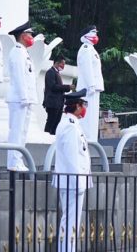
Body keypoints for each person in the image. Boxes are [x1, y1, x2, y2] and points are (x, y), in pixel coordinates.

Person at [53, 89, 92, 252]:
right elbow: (71, 158)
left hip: (73, 181)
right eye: (83, 105)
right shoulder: (70, 127)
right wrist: (78, 182)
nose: (85, 108)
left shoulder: (72, 124)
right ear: (76, 106)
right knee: (70, 220)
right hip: (72, 182)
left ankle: (68, 249)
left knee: (71, 220)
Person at [6, 22, 37, 171]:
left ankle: (18, 159)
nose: (32, 37)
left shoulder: (23, 52)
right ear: (23, 36)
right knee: (16, 131)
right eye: (30, 34)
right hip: (19, 98)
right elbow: (19, 77)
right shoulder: (17, 52)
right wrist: (24, 96)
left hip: (25, 98)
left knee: (23, 131)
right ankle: (13, 161)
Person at [76, 26, 104, 141]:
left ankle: (92, 139)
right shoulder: (86, 48)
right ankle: (87, 138)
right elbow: (87, 68)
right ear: (85, 35)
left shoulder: (91, 49)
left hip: (94, 87)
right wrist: (91, 85)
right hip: (88, 88)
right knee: (87, 116)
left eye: (95, 32)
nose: (95, 35)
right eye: (92, 32)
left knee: (93, 116)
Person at [43, 55, 71, 135]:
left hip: (58, 103)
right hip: (52, 103)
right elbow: (53, 87)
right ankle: (46, 137)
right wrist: (67, 87)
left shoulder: (56, 73)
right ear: (57, 63)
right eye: (62, 64)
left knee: (56, 122)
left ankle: (52, 137)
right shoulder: (50, 72)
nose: (63, 66)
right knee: (51, 121)